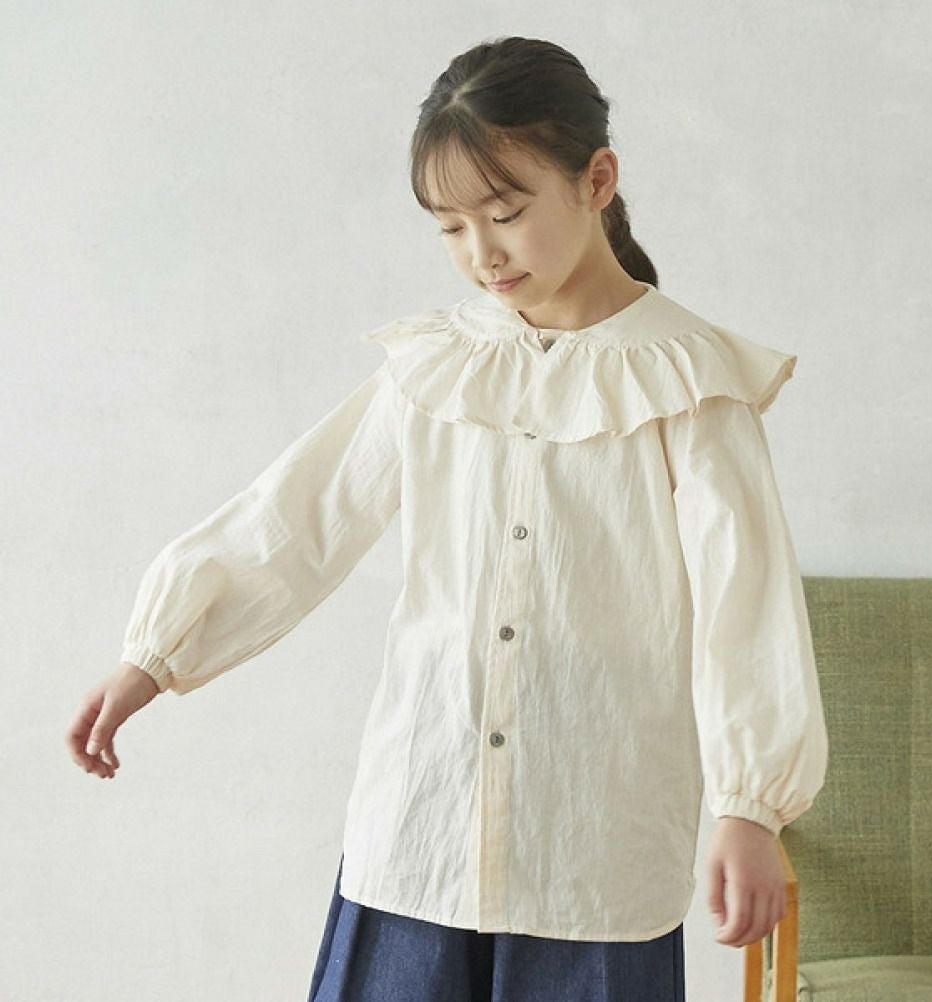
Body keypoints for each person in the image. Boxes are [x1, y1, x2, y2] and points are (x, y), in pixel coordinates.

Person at [65, 35, 828, 1002]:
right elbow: (302, 515)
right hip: (418, 831)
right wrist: (156, 655)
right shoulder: (437, 365)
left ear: (597, 180)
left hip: (594, 853)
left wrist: (750, 806)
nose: (481, 254)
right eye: (451, 228)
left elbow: (745, 607)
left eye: (505, 215)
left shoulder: (690, 380)